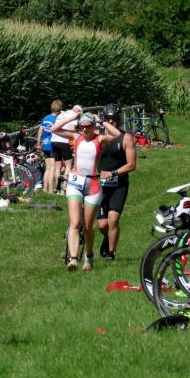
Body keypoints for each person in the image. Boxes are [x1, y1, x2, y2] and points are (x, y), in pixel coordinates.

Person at [50, 107, 121, 271]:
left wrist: (100, 121)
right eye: (82, 126)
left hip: (93, 184)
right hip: (75, 183)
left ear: (93, 126)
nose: (84, 129)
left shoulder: (100, 139)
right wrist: (73, 117)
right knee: (75, 222)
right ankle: (73, 259)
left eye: (87, 126)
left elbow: (117, 135)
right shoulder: (76, 136)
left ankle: (89, 256)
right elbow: (54, 129)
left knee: (88, 227)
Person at [97, 104, 137, 261]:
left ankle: (111, 253)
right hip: (100, 184)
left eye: (114, 119)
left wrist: (113, 173)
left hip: (118, 183)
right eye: (108, 119)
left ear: (118, 120)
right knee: (102, 225)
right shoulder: (98, 136)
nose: (111, 122)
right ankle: (108, 237)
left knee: (113, 219)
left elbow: (131, 165)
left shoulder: (126, 137)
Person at [49, 100, 75, 194]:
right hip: (63, 142)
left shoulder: (60, 115)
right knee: (68, 165)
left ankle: (56, 188)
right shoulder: (72, 115)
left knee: (58, 167)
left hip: (54, 141)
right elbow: (72, 129)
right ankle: (64, 188)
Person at [35, 101, 59, 194]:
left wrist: (38, 143)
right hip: (52, 144)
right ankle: (50, 190)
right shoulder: (57, 119)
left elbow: (40, 130)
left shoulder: (45, 118)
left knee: (48, 168)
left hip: (45, 144)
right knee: (52, 168)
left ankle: (45, 188)